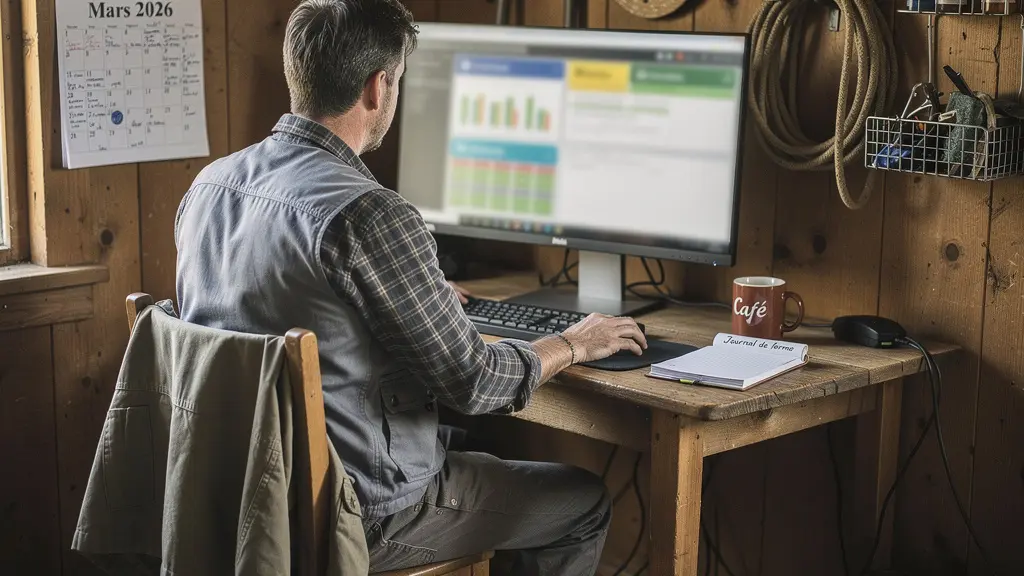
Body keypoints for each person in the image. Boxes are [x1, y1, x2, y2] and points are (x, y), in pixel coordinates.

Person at [173, 0, 647, 573]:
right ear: (378, 88)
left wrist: (414, 298)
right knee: (583, 502)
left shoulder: (210, 187)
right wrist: (573, 343)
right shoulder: (369, 213)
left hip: (235, 497)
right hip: (358, 514)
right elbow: (474, 383)